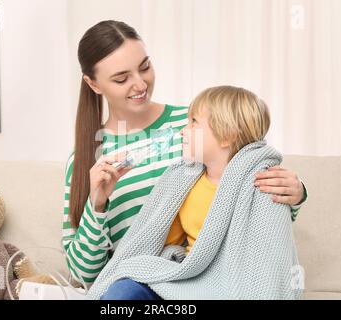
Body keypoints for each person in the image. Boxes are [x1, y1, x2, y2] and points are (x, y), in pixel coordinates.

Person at [62, 20, 307, 289]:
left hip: (211, 277)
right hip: (138, 284)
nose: (140, 84)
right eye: (121, 78)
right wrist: (96, 204)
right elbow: (84, 274)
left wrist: (294, 193)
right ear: (93, 84)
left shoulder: (199, 124)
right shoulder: (87, 158)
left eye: (145, 67)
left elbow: (251, 186)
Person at [89, 85, 302, 300]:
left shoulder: (262, 184)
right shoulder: (183, 181)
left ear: (226, 135)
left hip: (227, 286)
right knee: (124, 291)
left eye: (193, 122)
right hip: (188, 280)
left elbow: (272, 256)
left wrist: (299, 194)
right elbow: (154, 241)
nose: (183, 130)